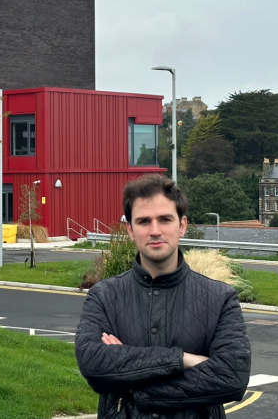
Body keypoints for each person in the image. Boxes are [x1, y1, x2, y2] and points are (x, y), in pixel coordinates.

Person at [75, 174, 251, 418]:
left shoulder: (220, 299)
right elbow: (94, 365)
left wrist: (135, 387)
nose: (155, 231)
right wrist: (183, 359)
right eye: (144, 221)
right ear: (129, 229)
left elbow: (232, 377)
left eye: (165, 219)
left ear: (182, 225)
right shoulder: (104, 296)